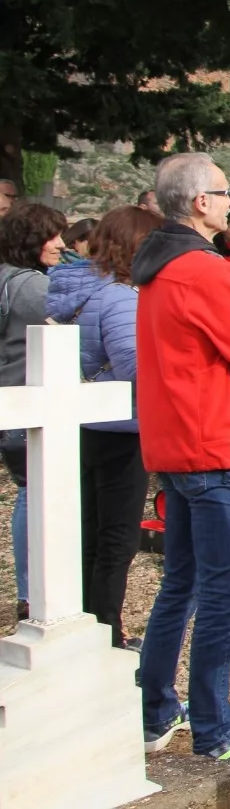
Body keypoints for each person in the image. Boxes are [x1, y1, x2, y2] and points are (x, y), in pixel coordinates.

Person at [133, 152, 230, 765]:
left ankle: (156, 706)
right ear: (199, 202)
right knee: (226, 592)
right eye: (224, 192)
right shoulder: (204, 270)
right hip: (212, 446)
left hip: (173, 442)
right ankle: (215, 729)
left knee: (182, 583)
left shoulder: (155, 269)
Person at [47, 206, 164, 648]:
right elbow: (134, 367)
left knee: (92, 532)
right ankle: (105, 633)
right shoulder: (119, 297)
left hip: (90, 423)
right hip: (120, 427)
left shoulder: (78, 289)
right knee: (116, 537)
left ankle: (87, 624)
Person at [0, 202, 67, 621]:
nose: (60, 244)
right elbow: (72, 320)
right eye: (51, 236)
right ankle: (33, 591)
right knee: (34, 494)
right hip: (29, 408)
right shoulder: (30, 288)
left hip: (13, 407)